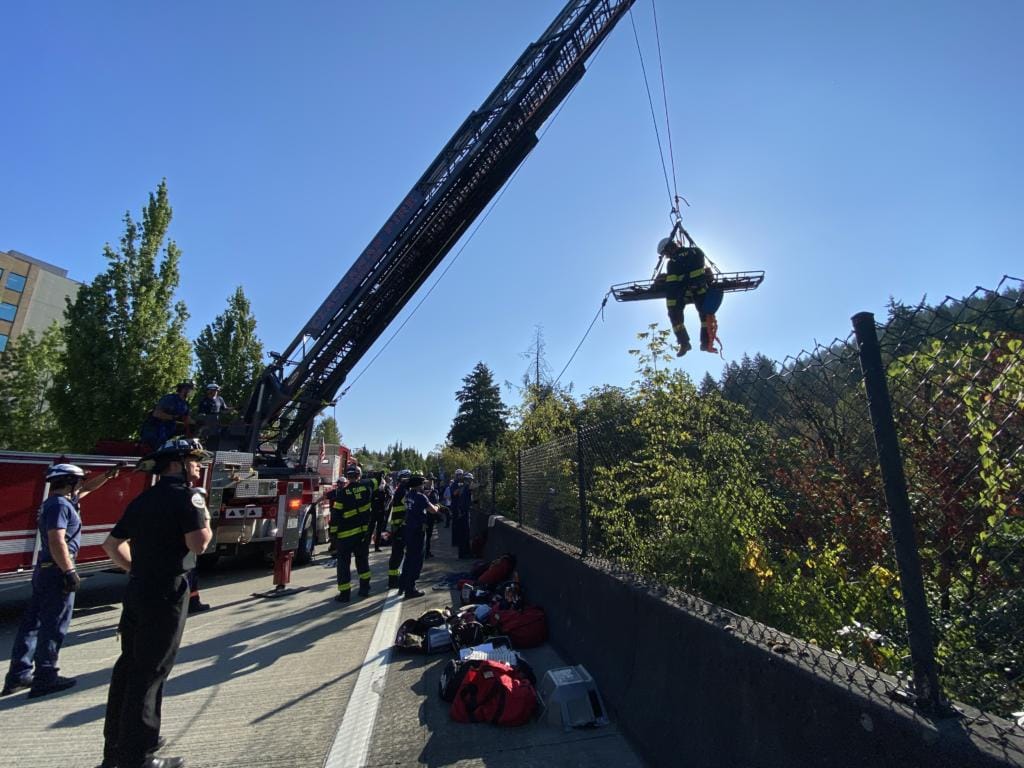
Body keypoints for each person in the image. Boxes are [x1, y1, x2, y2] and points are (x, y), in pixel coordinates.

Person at [98, 438, 213, 768]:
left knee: (128, 668)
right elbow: (199, 543)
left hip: (138, 590)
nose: (198, 466)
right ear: (176, 464)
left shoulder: (143, 499)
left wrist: (139, 568)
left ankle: (115, 750)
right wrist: (202, 509)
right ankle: (139, 756)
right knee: (152, 672)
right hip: (167, 592)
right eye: (193, 461)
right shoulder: (188, 496)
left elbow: (111, 545)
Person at [2, 463, 119, 698]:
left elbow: (87, 489)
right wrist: (69, 571)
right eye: (78, 481)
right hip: (56, 571)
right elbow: (57, 540)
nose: (81, 485)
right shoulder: (59, 506)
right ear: (69, 483)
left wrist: (106, 476)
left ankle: (19, 675)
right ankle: (46, 676)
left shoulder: (57, 502)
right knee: (54, 624)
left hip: (45, 571)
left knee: (32, 623)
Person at [657, 235, 721, 357]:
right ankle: (706, 343)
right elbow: (699, 271)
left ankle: (684, 343)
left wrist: (661, 286)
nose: (667, 256)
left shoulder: (672, 263)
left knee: (674, 315)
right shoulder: (696, 251)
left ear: (670, 247)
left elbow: (672, 283)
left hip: (683, 292)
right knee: (705, 316)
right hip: (699, 289)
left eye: (666, 253)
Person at [326, 464, 381, 602]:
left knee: (343, 564)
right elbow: (378, 480)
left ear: (348, 476)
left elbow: (336, 514)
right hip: (362, 534)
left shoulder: (342, 493)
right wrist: (375, 474)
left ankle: (344, 595)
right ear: (359, 475)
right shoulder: (367, 486)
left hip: (345, 536)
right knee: (363, 562)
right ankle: (364, 590)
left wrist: (333, 534)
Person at [399, 475, 440, 599]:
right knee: (416, 560)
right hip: (417, 531)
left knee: (408, 558)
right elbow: (433, 510)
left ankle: (402, 585)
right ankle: (410, 589)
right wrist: (438, 505)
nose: (424, 486)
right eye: (423, 484)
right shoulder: (420, 497)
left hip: (409, 529)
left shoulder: (409, 494)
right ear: (418, 485)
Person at [139, 381, 195, 452]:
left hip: (169, 429)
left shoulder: (186, 404)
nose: (191, 392)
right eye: (190, 389)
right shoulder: (169, 399)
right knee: (156, 451)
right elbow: (156, 413)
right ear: (184, 389)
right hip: (155, 429)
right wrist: (173, 417)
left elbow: (187, 419)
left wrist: (197, 423)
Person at [386, 469, 412, 589]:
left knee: (398, 553)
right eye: (407, 478)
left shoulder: (402, 489)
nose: (408, 480)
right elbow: (406, 508)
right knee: (397, 554)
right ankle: (393, 581)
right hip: (399, 526)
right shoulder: (403, 491)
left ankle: (394, 579)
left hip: (399, 525)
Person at [366, 472, 393, 552]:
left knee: (377, 530)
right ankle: (369, 546)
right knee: (372, 529)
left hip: (379, 510)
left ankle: (375, 547)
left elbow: (390, 496)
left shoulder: (384, 485)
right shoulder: (374, 485)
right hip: (375, 510)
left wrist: (386, 506)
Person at [452, 472, 474, 559]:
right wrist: (482, 484)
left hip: (462, 512)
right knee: (464, 533)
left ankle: (465, 552)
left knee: (465, 533)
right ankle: (463, 554)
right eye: (470, 480)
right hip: (463, 513)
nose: (471, 481)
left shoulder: (463, 487)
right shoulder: (465, 487)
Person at [423, 476, 440, 559]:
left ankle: (427, 551)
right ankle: (424, 552)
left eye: (433, 480)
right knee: (424, 535)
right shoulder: (422, 492)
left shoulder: (434, 491)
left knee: (429, 535)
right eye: (430, 480)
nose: (431, 482)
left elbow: (436, 501)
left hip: (431, 516)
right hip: (425, 515)